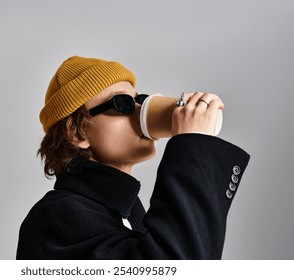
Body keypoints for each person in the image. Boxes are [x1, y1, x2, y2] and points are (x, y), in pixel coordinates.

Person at [16, 56, 250, 259]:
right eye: (123, 103)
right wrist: (194, 145)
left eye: (140, 100)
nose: (140, 112)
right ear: (77, 132)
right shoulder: (55, 216)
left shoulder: (126, 212)